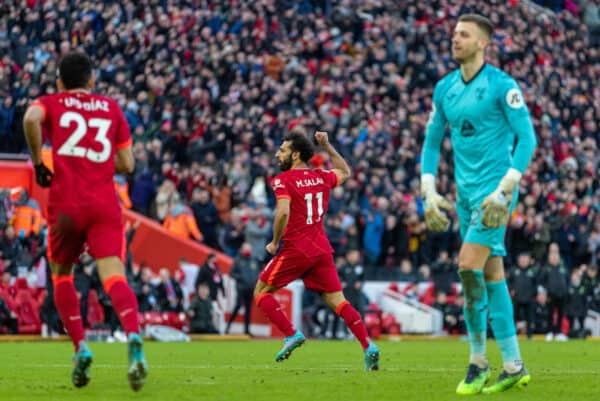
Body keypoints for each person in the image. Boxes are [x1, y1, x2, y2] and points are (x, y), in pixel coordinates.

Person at [420, 14, 536, 394]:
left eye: (464, 34)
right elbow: (433, 141)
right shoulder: (445, 89)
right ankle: (514, 364)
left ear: (483, 43)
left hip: (495, 195)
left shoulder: (502, 86)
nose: (456, 39)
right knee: (491, 276)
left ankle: (477, 362)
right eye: (454, 33)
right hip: (465, 195)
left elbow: (527, 140)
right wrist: (428, 188)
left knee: (467, 266)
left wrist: (506, 187)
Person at [23, 51, 147, 390]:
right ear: (91, 81)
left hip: (65, 205)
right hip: (104, 204)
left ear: (60, 82)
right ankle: (134, 337)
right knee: (113, 276)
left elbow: (31, 119)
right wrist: (101, 161)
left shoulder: (51, 101)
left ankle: (80, 349)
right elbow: (128, 164)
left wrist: (38, 163)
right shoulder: (111, 108)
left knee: (62, 276)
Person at [253, 129, 380, 371]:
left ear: (296, 155)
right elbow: (345, 172)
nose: (277, 154)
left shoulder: (282, 180)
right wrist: (328, 146)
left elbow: (283, 211)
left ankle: (291, 334)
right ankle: (368, 345)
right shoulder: (320, 177)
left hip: (295, 248)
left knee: (261, 292)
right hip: (321, 250)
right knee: (338, 301)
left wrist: (274, 241)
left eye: (283, 150)